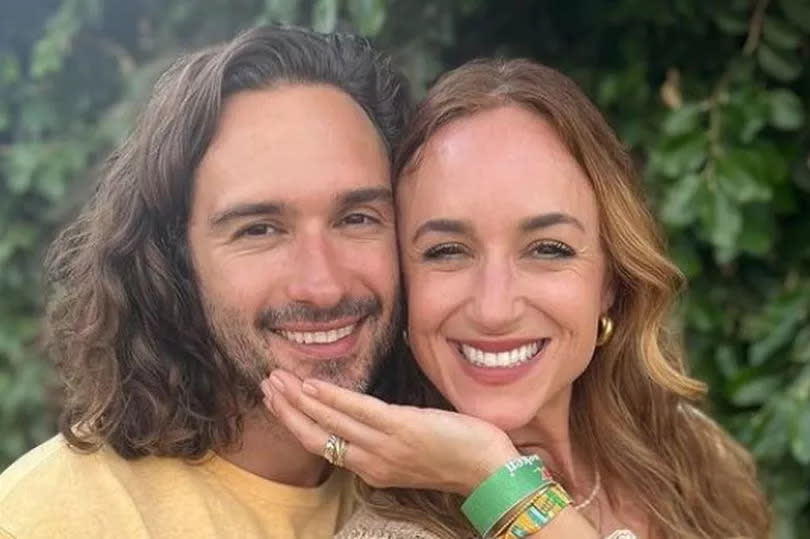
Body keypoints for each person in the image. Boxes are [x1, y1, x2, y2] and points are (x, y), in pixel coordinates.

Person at [263, 59, 772, 538]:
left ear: (611, 281)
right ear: (403, 283)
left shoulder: (694, 450)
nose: (494, 308)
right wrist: (491, 479)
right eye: (447, 252)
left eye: (548, 249)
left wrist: (496, 475)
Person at [0, 26, 410, 538]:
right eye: (260, 229)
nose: (323, 285)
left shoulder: (445, 478)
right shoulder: (49, 521)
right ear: (172, 259)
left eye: (357, 218)